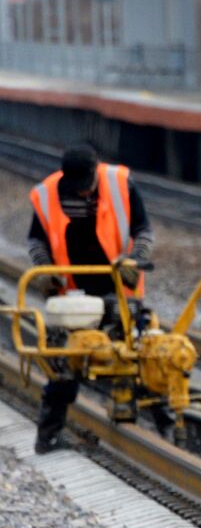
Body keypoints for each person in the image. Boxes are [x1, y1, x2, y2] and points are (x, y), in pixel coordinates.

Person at [27, 143, 154, 454]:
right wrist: (44, 270)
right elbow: (36, 238)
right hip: (73, 294)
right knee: (64, 365)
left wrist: (134, 261)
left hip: (118, 290)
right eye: (77, 189)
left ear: (96, 173)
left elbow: (144, 229)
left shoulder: (121, 184)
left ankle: (151, 427)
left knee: (137, 354)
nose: (83, 194)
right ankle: (49, 437)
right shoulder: (48, 194)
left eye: (87, 188)